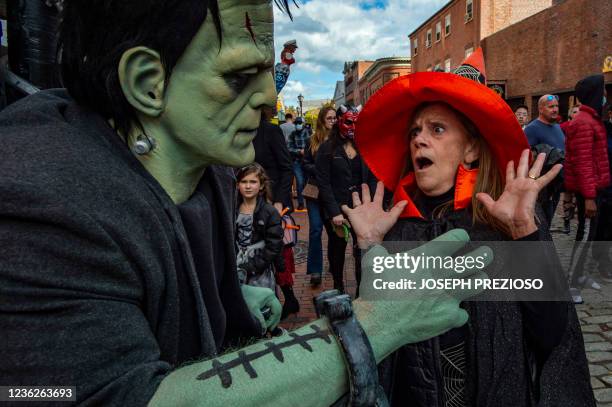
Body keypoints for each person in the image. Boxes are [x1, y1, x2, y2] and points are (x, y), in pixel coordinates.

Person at [0, 1, 489, 405]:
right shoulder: (38, 210)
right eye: (240, 74)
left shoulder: (209, 170)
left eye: (437, 129)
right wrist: (368, 329)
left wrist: (222, 294)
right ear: (148, 83)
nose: (266, 98)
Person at [351, 71, 594, 406]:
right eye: (415, 132)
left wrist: (526, 236)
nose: (419, 139)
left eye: (436, 129)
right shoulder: (398, 230)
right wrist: (369, 248)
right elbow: (372, 333)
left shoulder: (503, 225)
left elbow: (551, 335)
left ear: (471, 149)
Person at [315, 104, 380, 296]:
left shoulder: (365, 147)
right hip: (337, 208)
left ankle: (361, 291)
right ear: (340, 123)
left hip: (361, 208)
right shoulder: (327, 149)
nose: (353, 127)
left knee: (361, 249)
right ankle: (338, 286)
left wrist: (372, 205)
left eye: (357, 123)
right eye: (349, 122)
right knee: (337, 249)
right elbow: (323, 182)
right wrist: (334, 212)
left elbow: (372, 178)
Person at [565, 74, 610, 297]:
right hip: (588, 193)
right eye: (602, 91)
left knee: (589, 234)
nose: (605, 95)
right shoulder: (583, 123)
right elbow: (582, 164)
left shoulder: (591, 119)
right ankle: (571, 284)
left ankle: (581, 274)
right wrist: (589, 197)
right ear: (594, 93)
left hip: (595, 190)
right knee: (583, 236)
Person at [235, 163, 299, 317]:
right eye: (244, 182)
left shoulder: (269, 212)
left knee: (263, 307)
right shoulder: (232, 209)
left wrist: (255, 265)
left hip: (260, 270)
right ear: (237, 185)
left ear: (262, 185)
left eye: (253, 182)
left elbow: (274, 244)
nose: (248, 186)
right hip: (237, 267)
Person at [303, 105, 336, 286]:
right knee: (315, 230)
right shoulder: (313, 140)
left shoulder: (341, 139)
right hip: (314, 191)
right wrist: (320, 170)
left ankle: (334, 261)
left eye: (334, 118)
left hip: (332, 192)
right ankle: (315, 271)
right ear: (322, 120)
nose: (333, 121)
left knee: (333, 232)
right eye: (329, 118)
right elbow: (305, 163)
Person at [253, 107, 294, 213]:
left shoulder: (271, 130)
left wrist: (279, 200)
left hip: (271, 199)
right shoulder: (237, 132)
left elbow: (287, 167)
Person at [560, 103, 581, 234]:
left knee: (580, 196)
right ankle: (566, 221)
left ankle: (579, 221)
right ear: (569, 114)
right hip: (567, 164)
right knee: (568, 194)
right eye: (574, 111)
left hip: (580, 166)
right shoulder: (563, 127)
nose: (576, 114)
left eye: (579, 111)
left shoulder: (586, 127)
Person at [287, 116, 309, 210]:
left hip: (308, 162)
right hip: (297, 162)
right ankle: (301, 202)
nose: (297, 125)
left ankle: (309, 201)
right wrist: (299, 151)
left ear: (303, 124)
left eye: (299, 123)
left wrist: (307, 151)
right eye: (296, 123)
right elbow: (289, 148)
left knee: (307, 182)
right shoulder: (292, 134)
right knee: (299, 182)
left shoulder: (309, 133)